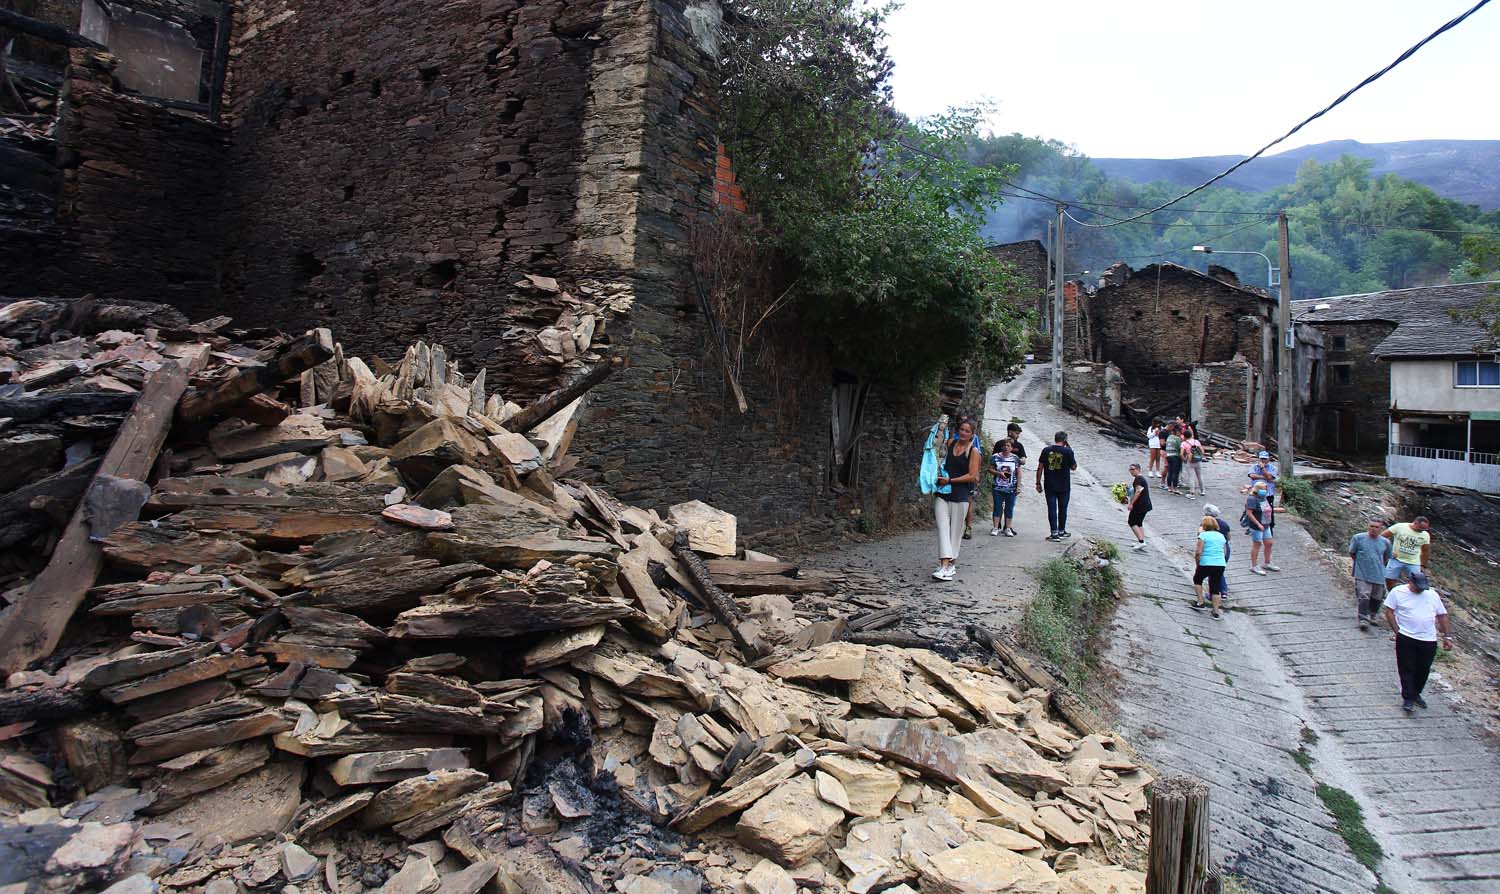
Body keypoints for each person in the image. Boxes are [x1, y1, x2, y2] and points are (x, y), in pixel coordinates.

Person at [1382, 570, 1453, 712]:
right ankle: (1408, 697)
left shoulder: (1432, 595)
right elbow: (1389, 611)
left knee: (1423, 668)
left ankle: (1416, 693)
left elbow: (1442, 615)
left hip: (1428, 639)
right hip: (1406, 637)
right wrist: (1397, 630)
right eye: (1418, 586)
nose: (1420, 589)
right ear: (1410, 582)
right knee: (1406, 667)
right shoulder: (1397, 592)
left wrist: (1447, 636)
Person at [932, 418, 981, 581]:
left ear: (972, 434)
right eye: (962, 429)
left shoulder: (973, 452)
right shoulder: (951, 442)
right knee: (942, 528)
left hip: (961, 495)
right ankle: (944, 564)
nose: (964, 433)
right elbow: (936, 447)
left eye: (967, 431)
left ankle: (950, 564)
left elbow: (972, 476)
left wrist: (951, 480)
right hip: (943, 492)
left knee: (955, 531)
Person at [1349, 520, 1394, 629]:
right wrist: (1360, 564)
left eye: (1377, 527)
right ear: (1368, 526)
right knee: (1363, 595)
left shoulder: (1385, 542)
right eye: (1371, 526)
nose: (1373, 529)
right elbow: (1352, 552)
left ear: (1381, 529)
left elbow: (1387, 556)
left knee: (1377, 597)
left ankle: (1373, 615)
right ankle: (1363, 618)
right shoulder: (1358, 538)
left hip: (1378, 573)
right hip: (1362, 573)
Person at [1035, 431, 1077, 542]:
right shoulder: (1068, 451)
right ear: (1065, 440)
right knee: (1063, 508)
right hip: (1064, 485)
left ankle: (1054, 533)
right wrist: (1070, 449)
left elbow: (1040, 467)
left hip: (1050, 484)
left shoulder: (1046, 450)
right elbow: (1074, 467)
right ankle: (1061, 531)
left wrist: (1038, 482)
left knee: (1052, 509)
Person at [1191, 515, 1229, 619]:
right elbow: (1225, 552)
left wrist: (1197, 562)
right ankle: (1215, 611)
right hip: (1220, 564)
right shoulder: (1221, 536)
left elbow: (1199, 552)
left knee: (1197, 579)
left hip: (1206, 562)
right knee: (1215, 587)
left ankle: (1200, 602)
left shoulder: (1203, 536)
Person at [1382, 516, 1432, 590]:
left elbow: (1425, 550)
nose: (1422, 530)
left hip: (1413, 561)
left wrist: (1423, 565)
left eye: (1425, 529)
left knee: (1416, 581)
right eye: (1420, 528)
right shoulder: (1400, 527)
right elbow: (1382, 537)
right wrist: (1389, 551)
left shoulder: (1425, 535)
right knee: (1389, 578)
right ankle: (1391, 594)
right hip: (1396, 559)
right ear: (1415, 523)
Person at [989, 438, 1022, 537]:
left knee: (1009, 508)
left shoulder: (1015, 458)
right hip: (998, 487)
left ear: (1011, 448)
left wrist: (1018, 486)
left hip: (1011, 487)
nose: (1006, 447)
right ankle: (995, 527)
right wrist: (999, 473)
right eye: (1004, 445)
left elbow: (1019, 473)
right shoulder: (995, 457)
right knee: (997, 507)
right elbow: (990, 469)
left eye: (1008, 446)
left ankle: (1008, 528)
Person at [1244, 480, 1278, 574]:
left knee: (1269, 543)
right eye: (1263, 489)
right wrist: (1258, 524)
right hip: (1257, 526)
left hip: (1266, 524)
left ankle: (1267, 562)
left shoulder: (1264, 497)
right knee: (1257, 544)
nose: (1265, 491)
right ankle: (1254, 565)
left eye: (1265, 489)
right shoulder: (1252, 499)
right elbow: (1249, 513)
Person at [1203, 503, 1232, 602]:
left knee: (1213, 572)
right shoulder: (1224, 524)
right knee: (1220, 570)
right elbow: (1229, 537)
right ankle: (1224, 592)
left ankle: (1213, 593)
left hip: (1213, 550)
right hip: (1225, 549)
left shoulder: (1205, 524)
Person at [1125, 463, 1151, 550]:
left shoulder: (1138, 479)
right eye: (1130, 469)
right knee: (1139, 522)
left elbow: (1138, 491)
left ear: (1138, 469)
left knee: (1132, 522)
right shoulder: (1140, 478)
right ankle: (1141, 540)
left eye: (1133, 469)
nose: (1131, 471)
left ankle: (1141, 541)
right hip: (1145, 505)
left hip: (1140, 505)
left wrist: (1131, 503)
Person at [1181, 428, 1205, 497]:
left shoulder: (1184, 443)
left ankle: (1192, 492)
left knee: (1191, 476)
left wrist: (1184, 459)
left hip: (1190, 461)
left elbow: (1181, 453)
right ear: (1191, 435)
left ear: (1184, 436)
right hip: (1198, 460)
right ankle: (1202, 490)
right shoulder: (1196, 442)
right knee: (1200, 476)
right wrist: (1200, 457)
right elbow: (1202, 451)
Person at [1164, 424, 1184, 495]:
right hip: (1175, 456)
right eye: (1180, 432)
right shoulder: (1177, 438)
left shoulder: (1169, 437)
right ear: (1177, 431)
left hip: (1168, 455)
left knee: (1170, 471)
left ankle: (1169, 487)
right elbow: (1180, 448)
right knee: (1176, 473)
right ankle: (1175, 488)